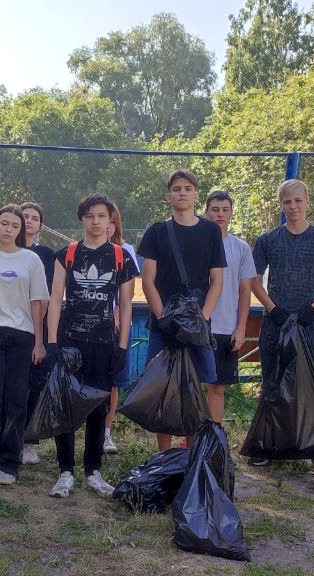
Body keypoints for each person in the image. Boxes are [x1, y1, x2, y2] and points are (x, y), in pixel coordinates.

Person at [249, 179, 314, 466]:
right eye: (287, 202)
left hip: (309, 324)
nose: (292, 206)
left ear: (307, 203)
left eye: (297, 201)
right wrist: (273, 309)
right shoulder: (268, 240)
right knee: (272, 382)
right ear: (281, 205)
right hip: (276, 323)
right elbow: (253, 280)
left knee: (311, 384)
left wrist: (313, 309)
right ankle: (268, 446)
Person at [45, 195, 136, 498]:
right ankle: (66, 472)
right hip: (71, 344)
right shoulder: (67, 254)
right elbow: (55, 300)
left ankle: (93, 472)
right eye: (90, 216)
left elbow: (125, 304)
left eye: (102, 216)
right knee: (66, 406)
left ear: (111, 220)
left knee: (99, 407)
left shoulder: (121, 257)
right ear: (82, 219)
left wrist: (122, 348)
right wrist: (53, 341)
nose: (96, 222)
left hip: (104, 343)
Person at [137, 169, 226, 451]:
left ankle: (191, 451)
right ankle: (164, 455)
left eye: (188, 188)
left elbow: (217, 280)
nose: (182, 192)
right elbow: (148, 280)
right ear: (168, 196)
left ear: (196, 194)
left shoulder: (210, 230)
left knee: (195, 388)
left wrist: (204, 317)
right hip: (163, 326)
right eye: (176, 189)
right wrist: (163, 317)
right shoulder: (156, 231)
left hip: (197, 326)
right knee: (164, 388)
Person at [0, 205, 49, 485]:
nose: (9, 229)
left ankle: (10, 461)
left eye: (15, 226)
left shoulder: (31, 261)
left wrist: (39, 342)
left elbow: (38, 303)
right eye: (4, 223)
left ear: (21, 230)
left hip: (22, 337)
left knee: (17, 400)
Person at [203, 191, 257, 423]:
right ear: (206, 212)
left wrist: (241, 327)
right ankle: (191, 444)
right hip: (198, 326)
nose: (220, 214)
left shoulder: (241, 248)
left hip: (226, 327)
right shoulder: (196, 243)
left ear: (231, 213)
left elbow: (246, 290)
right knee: (195, 385)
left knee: (217, 388)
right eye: (215, 209)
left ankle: (214, 444)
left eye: (225, 210)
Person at [19, 201, 56, 466]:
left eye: (34, 218)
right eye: (25, 217)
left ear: (40, 225)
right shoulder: (4, 251)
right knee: (11, 386)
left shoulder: (46, 254)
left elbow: (51, 295)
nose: (29, 221)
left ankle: (29, 442)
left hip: (37, 329)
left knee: (34, 384)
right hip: (7, 327)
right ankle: (7, 437)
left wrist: (39, 330)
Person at [103, 209, 140, 454]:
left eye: (111, 221)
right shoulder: (79, 250)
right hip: (88, 328)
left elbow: (128, 295)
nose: (106, 225)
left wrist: (117, 317)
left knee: (113, 384)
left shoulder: (125, 251)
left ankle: (106, 434)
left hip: (114, 328)